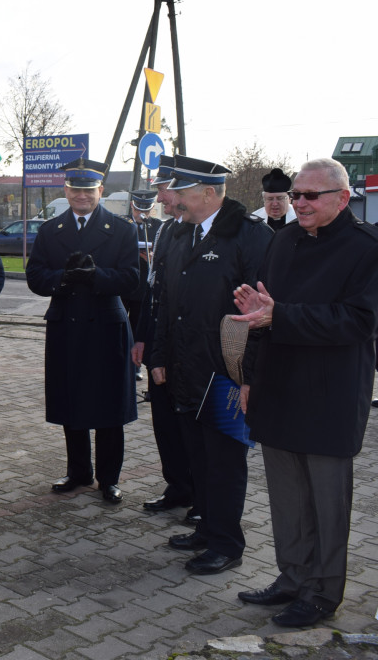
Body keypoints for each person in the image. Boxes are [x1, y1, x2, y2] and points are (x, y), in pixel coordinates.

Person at [232, 158, 378, 627]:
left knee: (326, 503)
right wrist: (248, 377)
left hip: (329, 396)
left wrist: (281, 317)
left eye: (310, 196)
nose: (299, 203)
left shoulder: (367, 249)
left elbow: (359, 320)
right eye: (295, 195)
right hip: (276, 387)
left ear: (343, 196)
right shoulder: (284, 241)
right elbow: (264, 316)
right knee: (287, 498)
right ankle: (292, 578)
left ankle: (322, 593)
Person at [148, 155, 272, 575]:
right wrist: (159, 356)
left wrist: (249, 378)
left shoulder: (249, 236)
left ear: (209, 192)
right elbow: (167, 302)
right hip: (186, 366)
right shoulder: (182, 233)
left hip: (225, 373)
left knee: (223, 462)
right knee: (197, 456)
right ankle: (206, 527)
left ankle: (226, 543)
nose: (172, 200)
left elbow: (260, 316)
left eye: (178, 192)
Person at [26, 157, 140, 504]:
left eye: (89, 190)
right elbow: (35, 277)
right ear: (67, 190)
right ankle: (79, 472)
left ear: (100, 191)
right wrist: (63, 279)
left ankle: (109, 479)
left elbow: (132, 279)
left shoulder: (122, 230)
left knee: (108, 407)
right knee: (71, 401)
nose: (82, 196)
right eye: (76, 190)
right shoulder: (50, 231)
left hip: (105, 328)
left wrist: (96, 277)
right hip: (67, 326)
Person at [132, 156, 195, 519]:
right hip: (159, 343)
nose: (160, 198)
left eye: (163, 190)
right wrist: (142, 338)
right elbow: (153, 293)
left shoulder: (205, 232)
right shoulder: (167, 230)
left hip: (188, 348)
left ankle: (201, 498)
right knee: (165, 424)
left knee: (191, 429)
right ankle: (178, 487)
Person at [123, 189, 162, 381]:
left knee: (139, 326)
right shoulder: (122, 224)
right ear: (132, 205)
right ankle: (120, 360)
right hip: (124, 285)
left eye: (146, 209)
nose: (142, 213)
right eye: (138, 209)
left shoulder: (158, 226)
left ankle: (135, 364)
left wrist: (153, 258)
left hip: (144, 287)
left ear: (153, 207)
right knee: (122, 326)